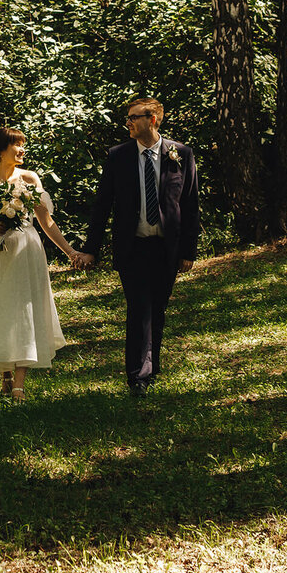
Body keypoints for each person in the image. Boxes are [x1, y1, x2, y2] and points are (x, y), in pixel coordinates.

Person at [75, 98, 200, 396]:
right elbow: (102, 204)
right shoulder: (118, 156)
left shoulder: (181, 153)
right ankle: (137, 377)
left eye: (133, 117)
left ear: (152, 119)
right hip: (133, 247)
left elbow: (190, 204)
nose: (128, 123)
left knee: (158, 309)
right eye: (128, 118)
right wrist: (91, 248)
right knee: (139, 309)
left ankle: (151, 368)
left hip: (167, 248)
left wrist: (188, 251)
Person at [0, 126, 78, 399]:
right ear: (1, 150)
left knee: (24, 308)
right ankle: (5, 375)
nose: (22, 150)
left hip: (27, 249)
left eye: (23, 144)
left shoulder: (30, 178)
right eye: (17, 145)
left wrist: (70, 252)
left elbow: (46, 221)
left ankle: (19, 383)